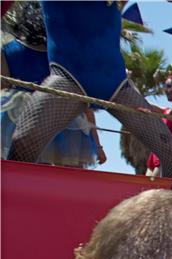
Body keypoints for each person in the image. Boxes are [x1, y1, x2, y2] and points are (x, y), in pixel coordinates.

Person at [7, 0, 172, 176]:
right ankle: (12, 200)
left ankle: (171, 201)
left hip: (118, 85)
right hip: (68, 78)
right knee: (22, 144)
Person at [1, 3, 105, 168]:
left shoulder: (8, 50)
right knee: (66, 174)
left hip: (15, 117)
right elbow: (83, 103)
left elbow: (3, 87)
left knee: (18, 168)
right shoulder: (67, 54)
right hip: (61, 115)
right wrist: (98, 145)